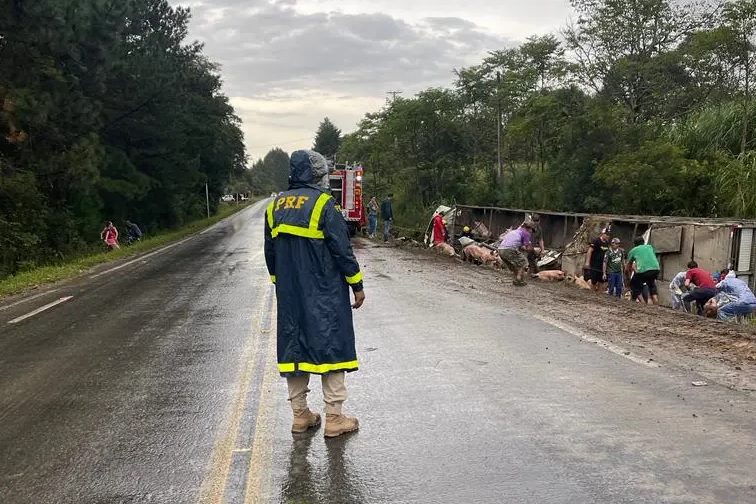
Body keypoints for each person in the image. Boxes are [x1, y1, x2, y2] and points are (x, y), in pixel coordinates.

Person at [264, 149, 365, 438]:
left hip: (290, 293)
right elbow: (342, 250)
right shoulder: (323, 204)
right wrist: (356, 285)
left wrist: (280, 283)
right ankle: (334, 418)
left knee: (294, 348)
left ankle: (300, 417)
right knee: (331, 345)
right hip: (324, 291)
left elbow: (270, 254)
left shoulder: (275, 206)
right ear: (315, 173)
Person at [497, 222, 534, 286]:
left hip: (500, 249)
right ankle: (518, 280)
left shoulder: (515, 231)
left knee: (514, 266)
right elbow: (526, 248)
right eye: (532, 230)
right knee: (524, 262)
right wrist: (532, 249)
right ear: (529, 228)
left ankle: (517, 279)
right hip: (509, 250)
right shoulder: (526, 233)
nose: (532, 232)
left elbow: (520, 245)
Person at [626, 237, 660, 304]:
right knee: (651, 284)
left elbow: (627, 267)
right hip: (655, 269)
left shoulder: (633, 250)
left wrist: (628, 277)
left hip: (643, 271)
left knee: (634, 284)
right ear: (644, 242)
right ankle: (656, 301)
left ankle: (642, 303)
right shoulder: (650, 247)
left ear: (635, 244)